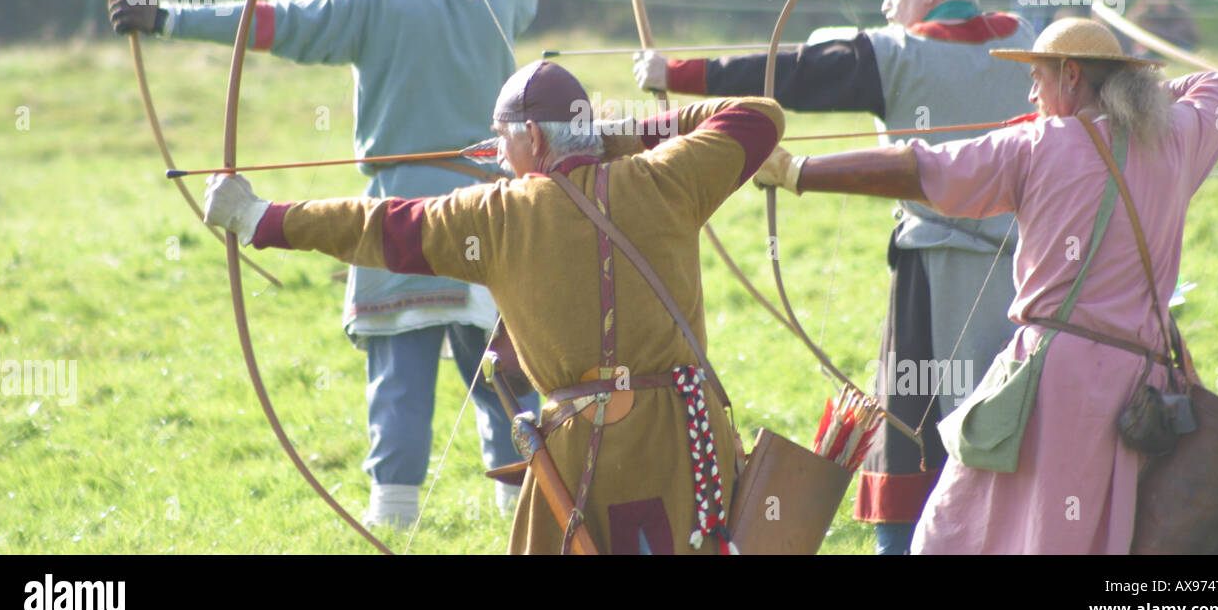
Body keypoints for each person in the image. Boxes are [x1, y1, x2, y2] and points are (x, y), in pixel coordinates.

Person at [204, 60, 787, 554]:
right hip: (683, 441)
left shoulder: (498, 215)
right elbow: (759, 116)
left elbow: (381, 226)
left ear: (533, 139)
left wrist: (260, 218)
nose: (499, 157)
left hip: (586, 447)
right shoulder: (666, 178)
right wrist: (615, 133)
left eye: (502, 140)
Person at [111, 0, 540, 530]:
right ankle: (528, 520)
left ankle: (394, 528)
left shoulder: (366, 1)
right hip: (491, 217)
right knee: (504, 381)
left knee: (398, 382)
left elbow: (272, 21)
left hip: (400, 224)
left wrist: (167, 15)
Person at [754, 18, 1218, 554]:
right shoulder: (1171, 137)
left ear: (1071, 76)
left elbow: (919, 169)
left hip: (1061, 384)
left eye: (1039, 78)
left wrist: (799, 171)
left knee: (971, 533)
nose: (1031, 94)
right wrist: (1125, 103)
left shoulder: (1036, 145)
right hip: (1153, 383)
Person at [634, 0, 1034, 554]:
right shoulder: (1028, 40)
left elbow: (795, 73)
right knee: (1009, 421)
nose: (885, 6)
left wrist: (676, 70)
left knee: (911, 433)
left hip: (931, 278)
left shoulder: (900, 53)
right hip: (1023, 275)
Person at [1126, 0, 1200, 56]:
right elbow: (1131, 40)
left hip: (1177, 49)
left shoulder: (1180, 12)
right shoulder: (1139, 13)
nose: (1159, 1)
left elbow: (1194, 38)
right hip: (1151, 50)